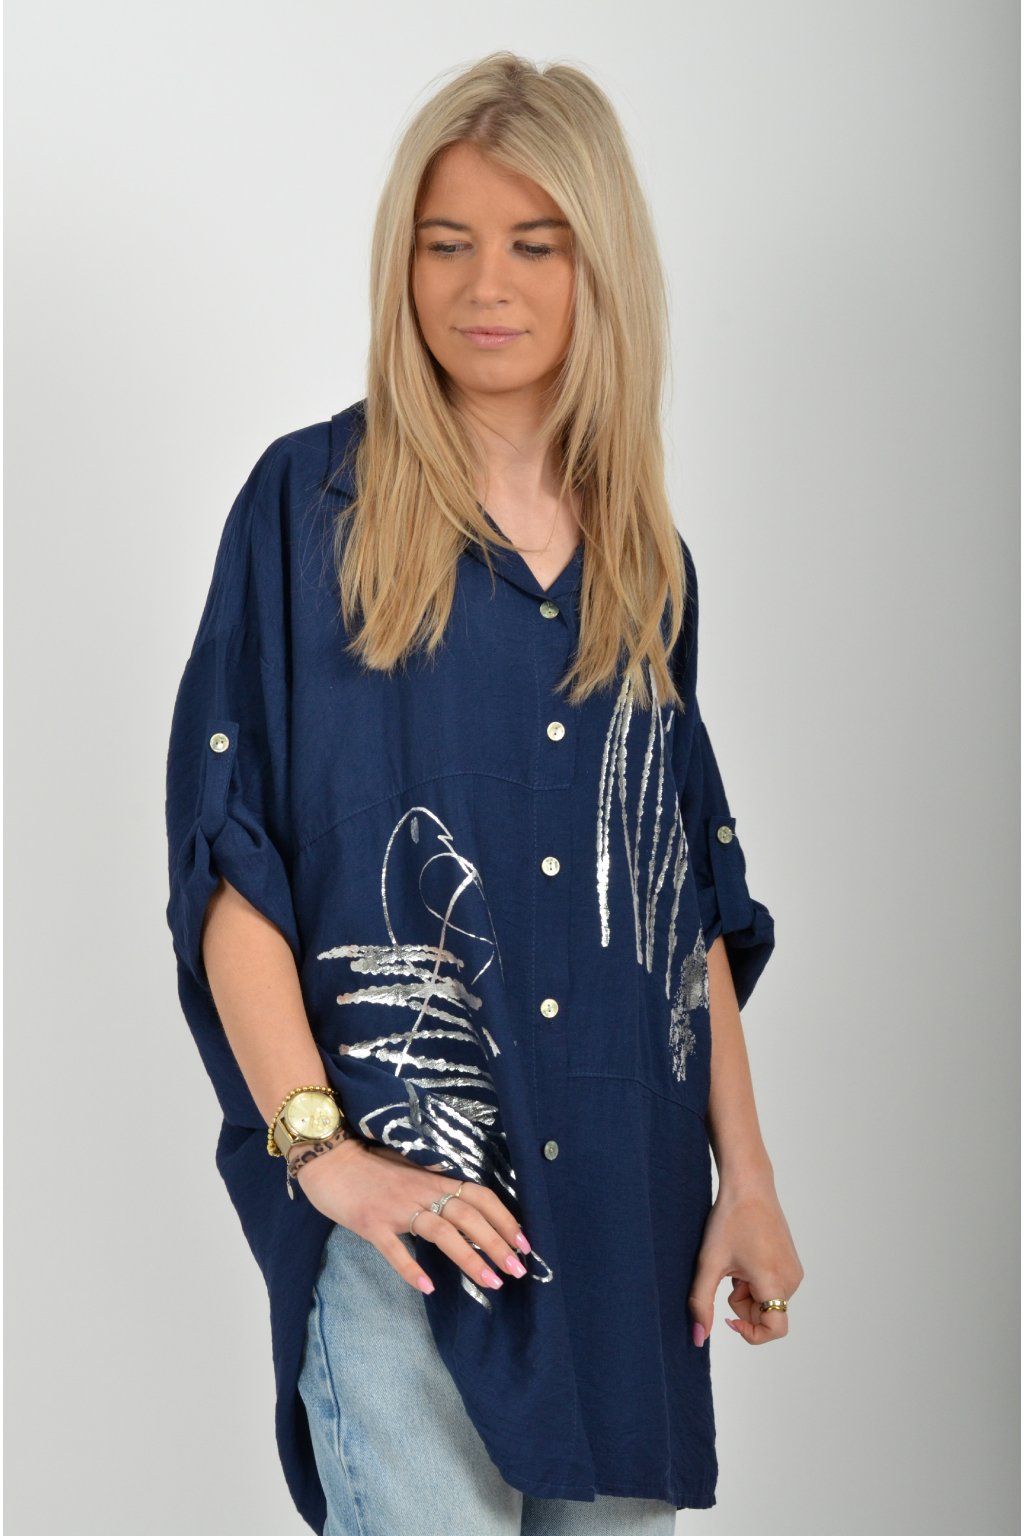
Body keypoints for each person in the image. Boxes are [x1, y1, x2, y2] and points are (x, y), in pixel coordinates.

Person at [164, 49, 804, 1536]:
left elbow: (684, 903)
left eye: (535, 244)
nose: (484, 286)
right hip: (410, 1233)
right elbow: (230, 864)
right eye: (446, 243)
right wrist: (325, 1157)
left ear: (601, 269)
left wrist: (750, 1179)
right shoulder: (305, 512)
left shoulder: (647, 567)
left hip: (630, 1236)